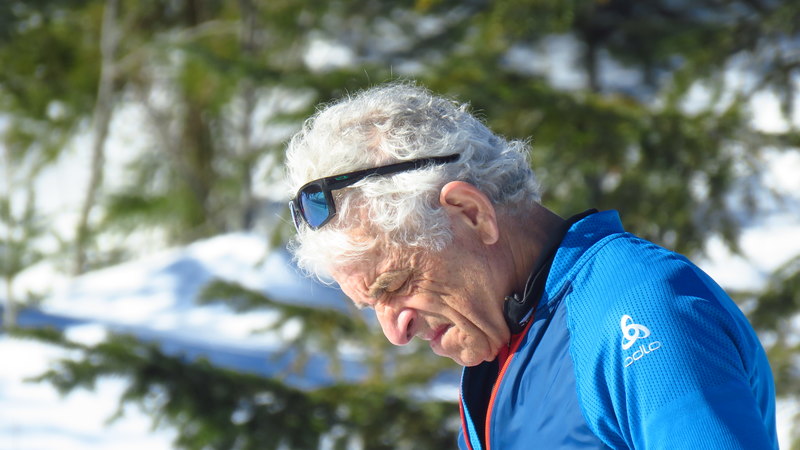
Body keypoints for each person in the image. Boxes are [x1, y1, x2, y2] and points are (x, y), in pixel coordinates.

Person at [285, 82, 778, 449]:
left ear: (470, 213)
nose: (395, 331)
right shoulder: (506, 342)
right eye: (370, 304)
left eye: (396, 284)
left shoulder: (640, 311)